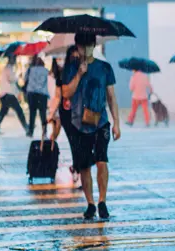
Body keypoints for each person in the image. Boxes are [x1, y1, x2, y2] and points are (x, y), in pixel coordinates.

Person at [62, 33, 121, 219]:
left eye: (89, 44)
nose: (85, 48)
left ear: (94, 45)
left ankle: (102, 201)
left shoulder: (105, 68)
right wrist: (79, 74)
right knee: (85, 166)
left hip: (101, 122)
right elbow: (66, 92)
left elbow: (111, 97)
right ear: (77, 46)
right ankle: (90, 203)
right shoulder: (71, 67)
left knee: (102, 161)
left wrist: (117, 123)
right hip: (78, 124)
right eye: (82, 45)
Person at [48, 46, 80, 183]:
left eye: (77, 57)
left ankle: (77, 167)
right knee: (74, 142)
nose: (75, 59)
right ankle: (78, 169)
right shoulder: (63, 74)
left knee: (80, 142)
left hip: (81, 112)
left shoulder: (85, 72)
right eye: (73, 56)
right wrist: (51, 114)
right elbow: (57, 96)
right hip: (67, 113)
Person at [0, 56, 28, 135]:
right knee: (19, 111)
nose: (15, 61)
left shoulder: (8, 68)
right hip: (8, 94)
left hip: (5, 94)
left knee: (3, 112)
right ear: (11, 60)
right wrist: (18, 76)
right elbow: (12, 79)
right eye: (14, 59)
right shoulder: (8, 68)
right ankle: (26, 127)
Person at [25, 55, 49, 138]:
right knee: (43, 115)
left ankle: (30, 132)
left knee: (32, 114)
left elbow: (25, 79)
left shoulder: (30, 70)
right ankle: (44, 133)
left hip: (32, 94)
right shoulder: (46, 71)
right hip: (42, 94)